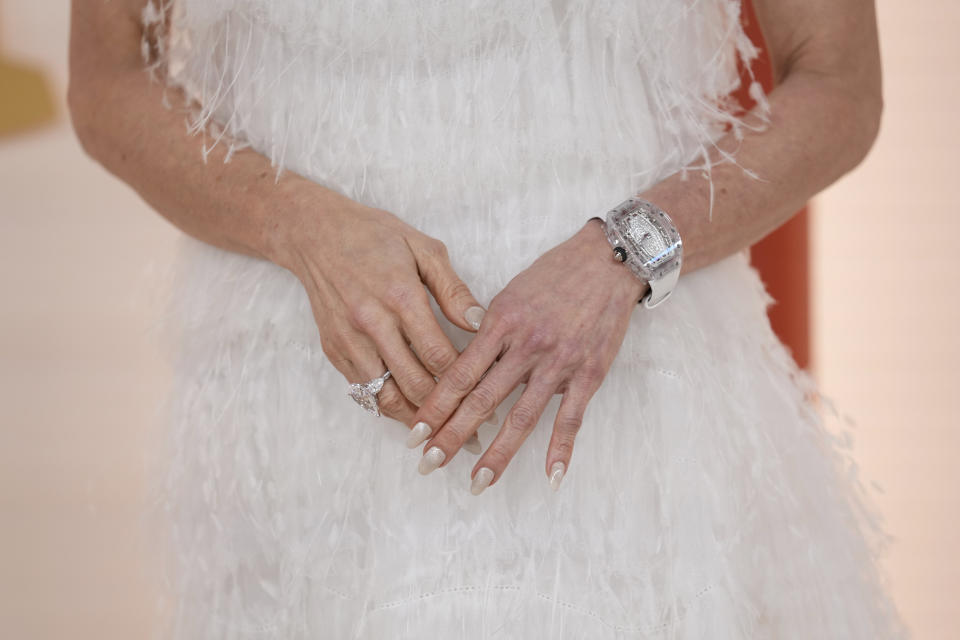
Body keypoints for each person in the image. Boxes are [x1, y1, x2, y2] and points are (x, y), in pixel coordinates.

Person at [69, 0, 908, 637]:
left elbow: (839, 83)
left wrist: (626, 253)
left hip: (631, 398)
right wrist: (298, 227)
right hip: (295, 401)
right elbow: (108, 84)